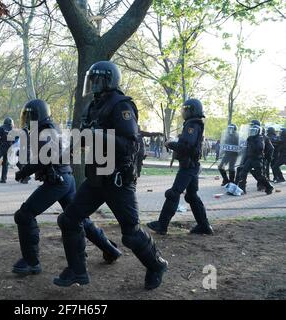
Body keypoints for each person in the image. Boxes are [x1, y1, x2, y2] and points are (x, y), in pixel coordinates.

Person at [55, 61, 167, 290]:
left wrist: (97, 134)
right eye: (92, 79)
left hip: (118, 180)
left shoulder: (121, 105)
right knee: (68, 219)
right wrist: (64, 154)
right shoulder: (92, 106)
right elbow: (84, 136)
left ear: (110, 81)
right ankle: (77, 271)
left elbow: (129, 143)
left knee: (131, 235)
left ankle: (156, 265)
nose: (93, 84)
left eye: (98, 80)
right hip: (96, 178)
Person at [12, 99, 122, 276]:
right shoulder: (48, 128)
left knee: (24, 215)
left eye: (30, 115)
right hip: (65, 179)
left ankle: (31, 262)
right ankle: (110, 249)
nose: (27, 119)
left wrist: (24, 171)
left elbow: (45, 158)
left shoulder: (45, 130)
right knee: (79, 219)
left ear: (37, 115)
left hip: (57, 182)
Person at [147, 99, 213, 236]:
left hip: (188, 167)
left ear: (191, 110)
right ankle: (204, 225)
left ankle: (162, 225)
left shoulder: (192, 125)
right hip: (192, 166)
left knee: (174, 193)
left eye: (185, 109)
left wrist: (171, 144)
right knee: (192, 196)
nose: (183, 112)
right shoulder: (195, 124)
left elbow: (186, 147)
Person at [235, 124, 274, 194]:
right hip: (249, 158)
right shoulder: (250, 138)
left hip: (257, 159)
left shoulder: (260, 138)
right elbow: (247, 149)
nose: (252, 132)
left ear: (258, 131)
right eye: (251, 130)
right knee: (242, 173)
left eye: (254, 131)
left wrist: (252, 142)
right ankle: (242, 189)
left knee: (259, 176)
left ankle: (269, 187)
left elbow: (259, 148)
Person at [0, 117, 14, 183]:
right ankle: (4, 179)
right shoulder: (12, 129)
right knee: (5, 163)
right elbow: (14, 140)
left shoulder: (2, 128)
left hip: (2, 147)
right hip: (9, 148)